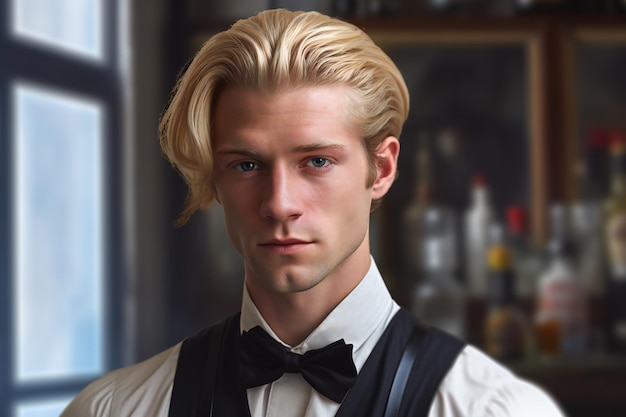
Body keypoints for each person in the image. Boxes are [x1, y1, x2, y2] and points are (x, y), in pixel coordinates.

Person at [62, 8, 564, 417]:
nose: (280, 203)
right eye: (246, 164)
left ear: (382, 168)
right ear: (214, 175)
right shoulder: (114, 410)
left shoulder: (489, 409)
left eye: (317, 161)